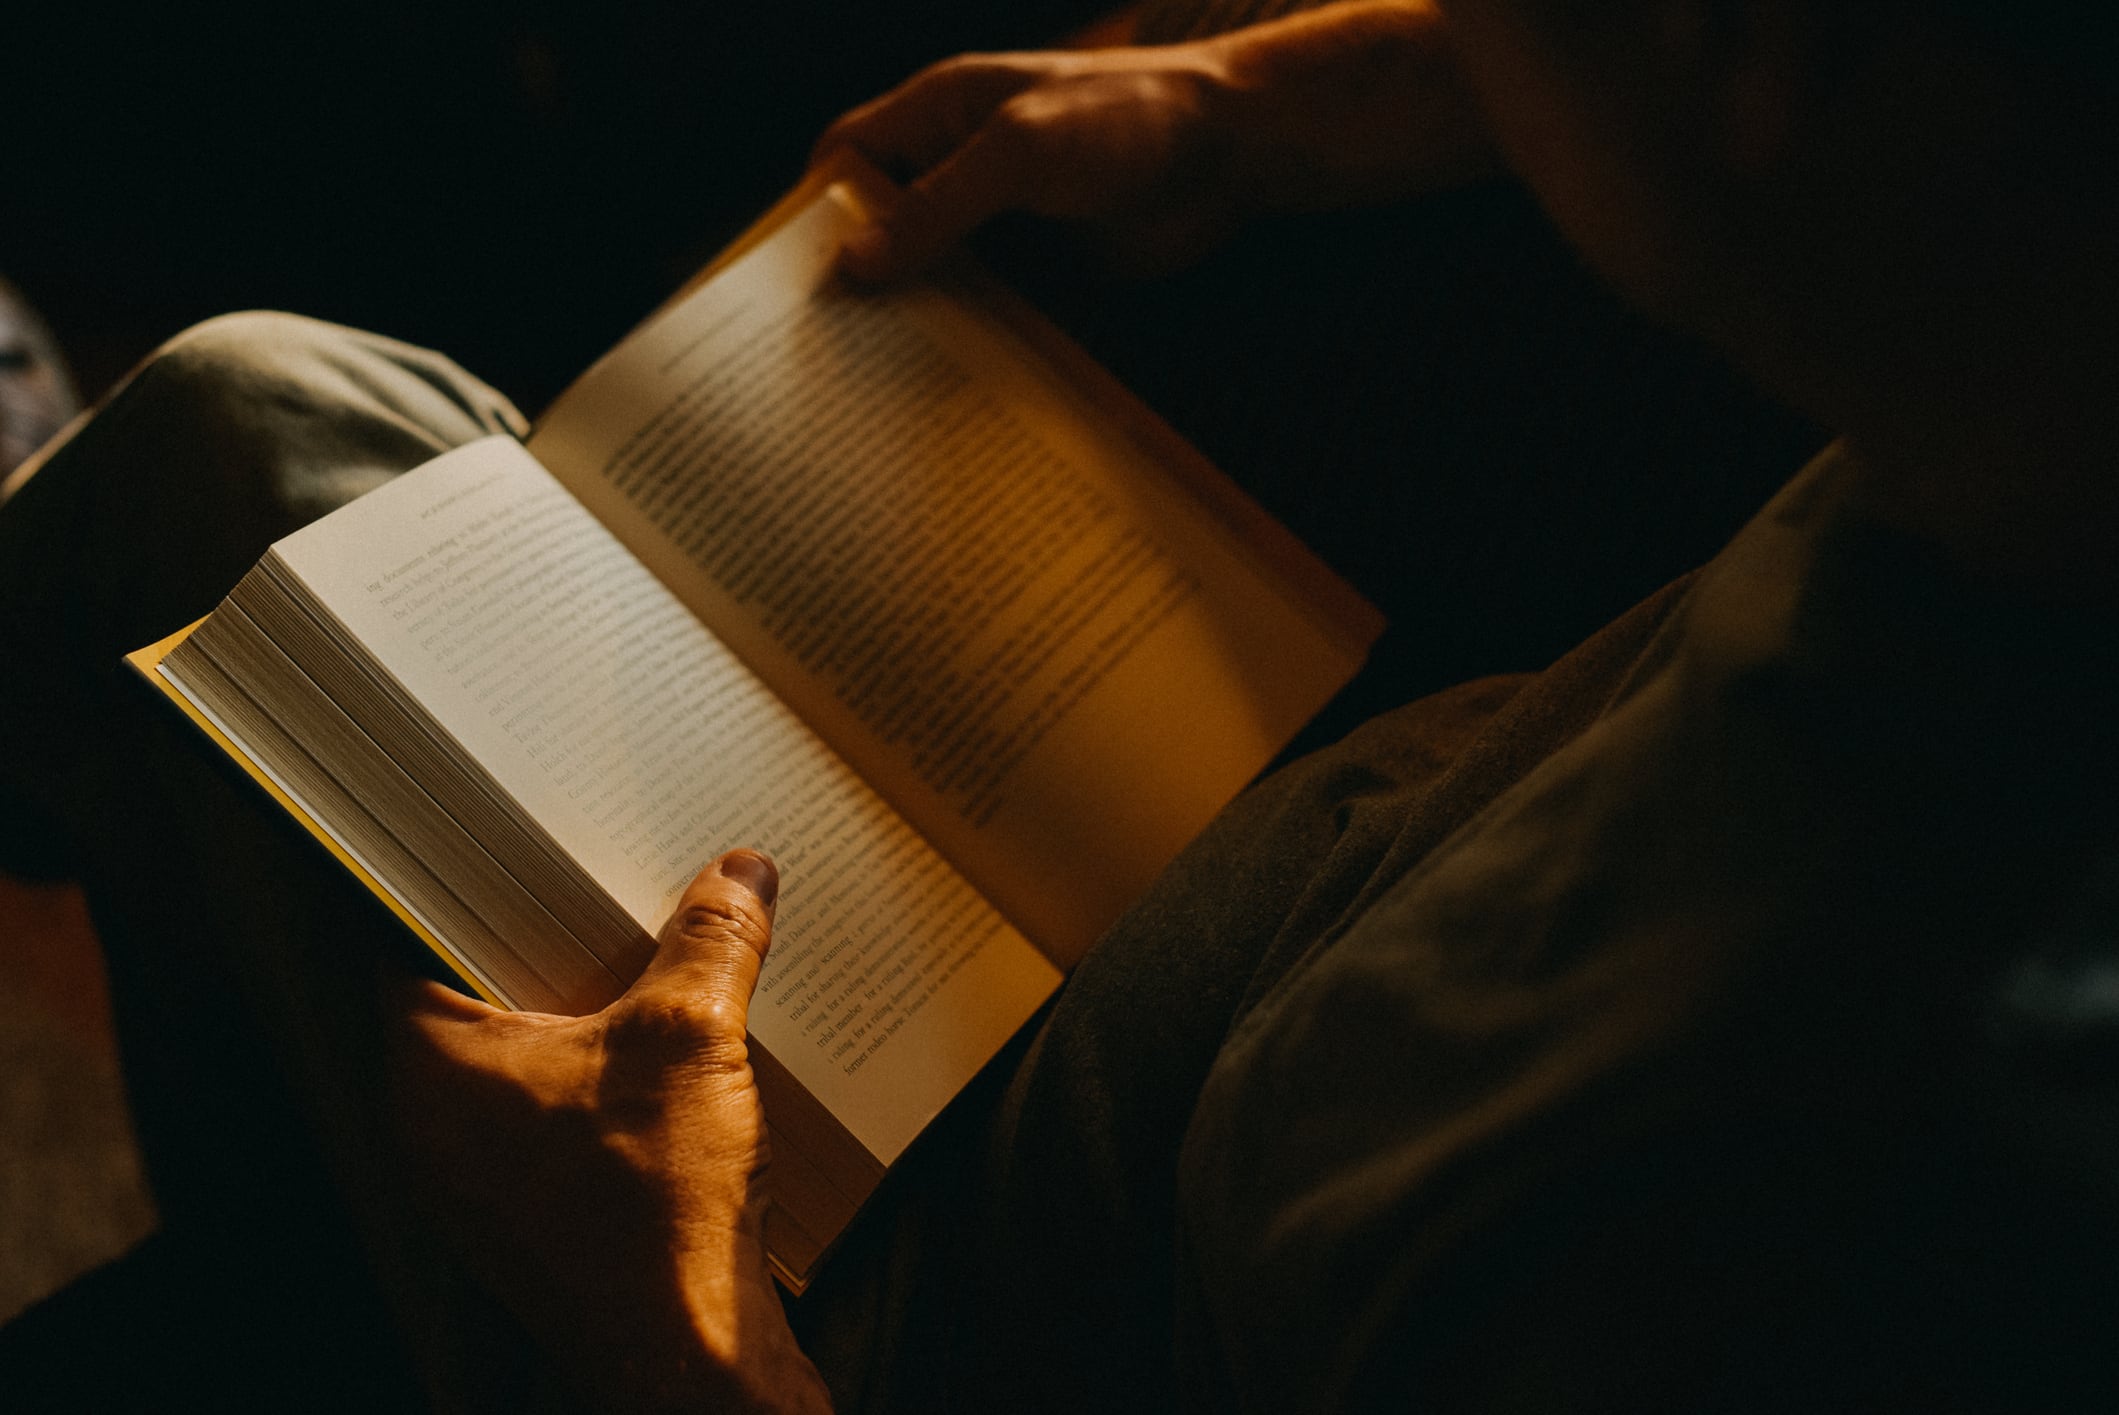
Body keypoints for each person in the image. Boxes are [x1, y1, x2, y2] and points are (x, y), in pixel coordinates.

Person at [2, 0, 2115, 1409]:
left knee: (229, 461)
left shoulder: (1842, 1176)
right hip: (1243, 929)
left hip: (886, 1319)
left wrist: (660, 1330)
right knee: (281, 424)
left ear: (1779, 75)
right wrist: (1261, 106)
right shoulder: (2030, 374)